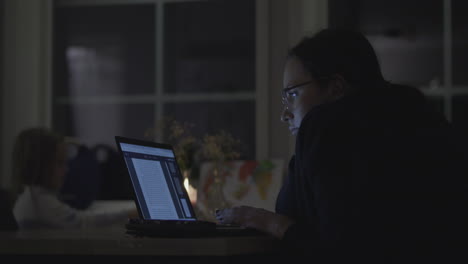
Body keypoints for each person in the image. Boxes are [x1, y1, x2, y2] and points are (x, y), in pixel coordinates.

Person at [216, 29, 468, 263]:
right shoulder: (419, 116)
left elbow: (339, 251)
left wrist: (267, 222)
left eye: (292, 94)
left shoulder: (327, 128)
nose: (284, 113)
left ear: (336, 87)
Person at [12, 127, 138, 230]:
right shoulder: (38, 202)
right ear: (39, 165)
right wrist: (128, 214)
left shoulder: (31, 197)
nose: (66, 169)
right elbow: (84, 223)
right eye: (60, 163)